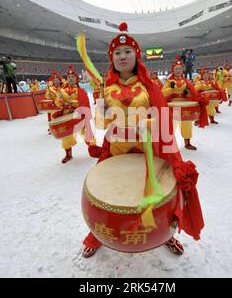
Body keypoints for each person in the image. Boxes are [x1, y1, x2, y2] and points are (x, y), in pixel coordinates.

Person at [81, 22, 204, 258]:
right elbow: (104, 123)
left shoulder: (149, 85)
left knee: (164, 192)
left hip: (148, 150)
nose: (122, 56)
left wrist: (144, 125)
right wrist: (102, 109)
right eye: (117, 53)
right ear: (112, 59)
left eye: (127, 52)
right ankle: (96, 236)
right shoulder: (106, 87)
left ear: (137, 56)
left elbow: (162, 119)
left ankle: (168, 233)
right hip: (118, 151)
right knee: (104, 194)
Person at [53, 65, 99, 164]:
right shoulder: (61, 91)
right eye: (69, 77)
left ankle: (94, 149)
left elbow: (84, 103)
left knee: (87, 132)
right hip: (67, 116)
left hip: (79, 116)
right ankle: (68, 154)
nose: (70, 79)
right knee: (66, 136)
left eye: (72, 77)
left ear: (76, 79)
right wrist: (60, 101)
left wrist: (72, 103)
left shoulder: (81, 91)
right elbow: (57, 102)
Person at [162, 56, 208, 150]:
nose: (178, 71)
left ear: (182, 70)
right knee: (171, 124)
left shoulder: (186, 81)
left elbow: (193, 91)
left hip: (184, 103)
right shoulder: (169, 81)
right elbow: (162, 93)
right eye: (176, 69)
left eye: (179, 69)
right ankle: (168, 142)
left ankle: (187, 143)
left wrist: (187, 92)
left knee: (186, 124)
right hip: (173, 105)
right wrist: (171, 89)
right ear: (173, 70)